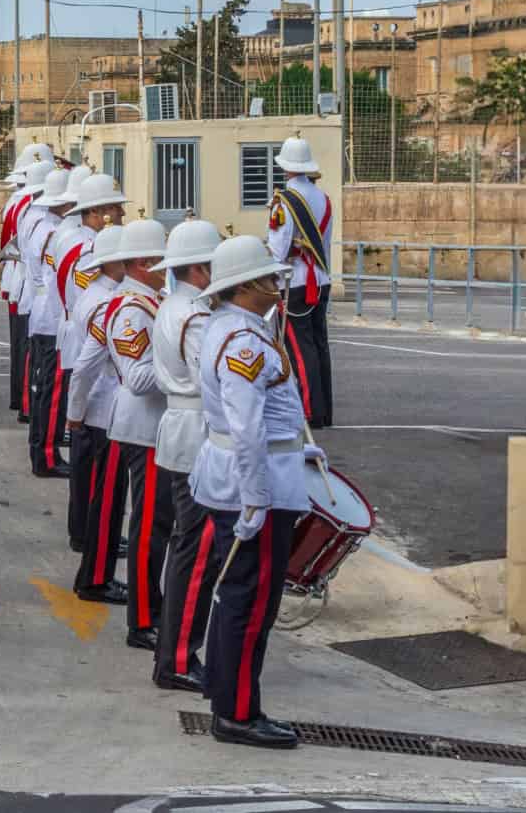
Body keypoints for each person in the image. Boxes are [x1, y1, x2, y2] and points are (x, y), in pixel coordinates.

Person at [192, 234, 309, 748]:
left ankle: (225, 691)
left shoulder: (234, 327)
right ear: (245, 286)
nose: (276, 284)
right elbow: (247, 428)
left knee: (235, 593)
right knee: (250, 599)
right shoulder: (242, 341)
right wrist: (256, 497)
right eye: (267, 277)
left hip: (250, 474)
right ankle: (237, 712)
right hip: (253, 482)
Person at [150, 219, 221, 693]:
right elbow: (211, 381)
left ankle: (176, 650)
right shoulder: (193, 315)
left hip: (180, 426)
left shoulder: (172, 306)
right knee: (196, 555)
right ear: (199, 269)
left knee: (185, 547)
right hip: (196, 429)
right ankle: (177, 657)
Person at [101, 218, 171, 650]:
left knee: (160, 526)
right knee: (149, 529)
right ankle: (142, 619)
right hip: (143, 428)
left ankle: (154, 607)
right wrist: (186, 369)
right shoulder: (131, 308)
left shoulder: (151, 301)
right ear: (145, 263)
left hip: (156, 429)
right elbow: (137, 378)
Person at [65, 223, 127, 603]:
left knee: (100, 499)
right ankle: (95, 578)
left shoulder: (96, 293)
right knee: (107, 503)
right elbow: (87, 365)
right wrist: (75, 411)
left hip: (96, 405)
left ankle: (95, 571)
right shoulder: (107, 302)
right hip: (104, 407)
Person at [266, 137, 334, 429]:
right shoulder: (324, 198)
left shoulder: (284, 201)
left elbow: (278, 249)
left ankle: (310, 411)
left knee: (299, 347)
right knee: (319, 344)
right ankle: (324, 410)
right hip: (321, 279)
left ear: (286, 167)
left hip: (295, 282)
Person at [19, 164, 68, 473]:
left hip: (41, 307)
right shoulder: (53, 231)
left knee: (43, 387)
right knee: (52, 390)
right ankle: (46, 455)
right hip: (51, 314)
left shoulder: (40, 224)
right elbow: (55, 280)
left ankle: (41, 447)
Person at [0, 156, 35, 421]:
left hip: (18, 277)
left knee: (21, 346)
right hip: (25, 279)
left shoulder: (18, 202)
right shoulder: (26, 204)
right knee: (26, 348)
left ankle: (19, 398)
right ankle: (24, 402)